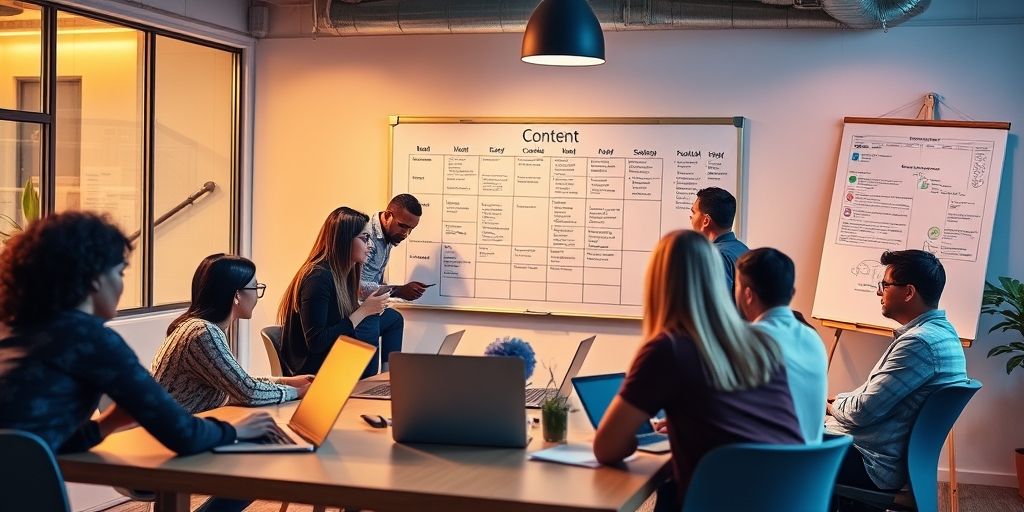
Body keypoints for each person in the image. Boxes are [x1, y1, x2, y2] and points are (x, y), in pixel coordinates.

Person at [0, 212, 274, 458]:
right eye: (119, 272)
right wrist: (234, 430)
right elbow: (185, 436)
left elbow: (38, 439)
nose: (121, 286)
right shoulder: (90, 340)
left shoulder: (12, 330)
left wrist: (107, 424)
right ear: (95, 278)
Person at [592, 230, 803, 511]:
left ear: (657, 283)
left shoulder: (668, 350)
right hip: (785, 499)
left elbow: (606, 448)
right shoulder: (762, 343)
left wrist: (636, 438)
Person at [827, 250, 967, 493]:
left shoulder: (920, 344)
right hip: (879, 454)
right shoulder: (943, 334)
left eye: (885, 285)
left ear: (909, 292)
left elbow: (862, 412)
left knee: (773, 438)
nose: (879, 292)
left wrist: (832, 405)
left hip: (870, 461)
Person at [153, 254, 314, 414]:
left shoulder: (200, 327)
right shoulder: (202, 333)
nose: (257, 296)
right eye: (255, 288)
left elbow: (236, 382)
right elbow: (248, 393)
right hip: (169, 432)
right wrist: (298, 393)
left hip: (181, 425)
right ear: (237, 295)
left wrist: (287, 382)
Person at [279, 206, 400, 379]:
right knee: (369, 324)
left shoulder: (345, 273)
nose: (370, 245)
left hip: (334, 355)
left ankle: (380, 382)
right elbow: (317, 343)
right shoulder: (317, 278)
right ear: (344, 241)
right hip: (313, 368)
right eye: (365, 238)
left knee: (390, 320)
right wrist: (364, 311)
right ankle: (372, 386)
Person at [735, 247, 828, 444]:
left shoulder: (746, 341)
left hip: (763, 468)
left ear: (748, 294)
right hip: (810, 469)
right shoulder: (813, 338)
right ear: (792, 292)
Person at [360, 193, 431, 301]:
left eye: (411, 229)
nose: (406, 234)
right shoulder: (366, 238)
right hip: (356, 310)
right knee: (395, 317)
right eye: (402, 226)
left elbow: (374, 279)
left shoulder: (388, 233)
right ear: (388, 216)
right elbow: (355, 288)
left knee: (395, 317)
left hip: (370, 306)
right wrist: (397, 291)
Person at [690, 187, 748, 291]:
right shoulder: (744, 250)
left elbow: (713, 305)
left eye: (694, 213)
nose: (691, 218)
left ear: (706, 221)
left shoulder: (714, 256)